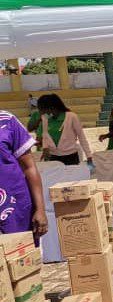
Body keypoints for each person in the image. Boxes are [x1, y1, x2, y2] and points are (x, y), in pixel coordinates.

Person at [0, 111, 47, 240]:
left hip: (15, 208)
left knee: (21, 257)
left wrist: (40, 209)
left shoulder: (7, 121)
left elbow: (29, 167)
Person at [37, 94, 93, 167]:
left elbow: (81, 137)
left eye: (42, 109)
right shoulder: (45, 119)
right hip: (53, 157)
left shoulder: (72, 117)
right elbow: (45, 135)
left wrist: (89, 156)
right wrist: (45, 148)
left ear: (51, 107)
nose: (41, 112)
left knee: (72, 177)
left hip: (71, 157)